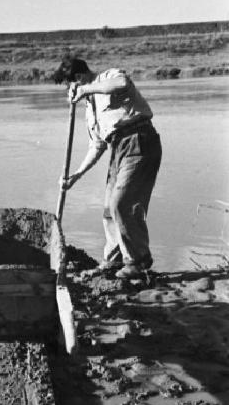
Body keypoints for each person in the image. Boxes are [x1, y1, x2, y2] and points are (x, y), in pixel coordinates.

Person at [55, 57, 162, 279]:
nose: (69, 91)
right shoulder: (90, 108)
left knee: (122, 204)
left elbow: (122, 83)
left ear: (78, 78)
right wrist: (76, 175)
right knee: (108, 210)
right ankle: (113, 261)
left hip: (139, 139)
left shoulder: (107, 78)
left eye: (69, 85)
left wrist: (85, 89)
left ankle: (138, 261)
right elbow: (97, 145)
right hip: (117, 148)